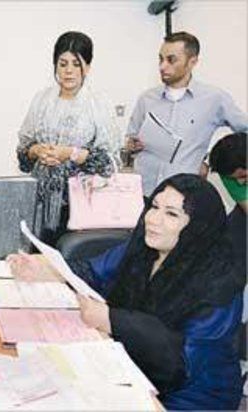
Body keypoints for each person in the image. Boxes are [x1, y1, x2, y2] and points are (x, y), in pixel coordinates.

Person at [9, 174, 244, 410]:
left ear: (198, 226)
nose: (153, 219)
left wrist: (112, 320)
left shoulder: (219, 283)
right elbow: (93, 271)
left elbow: (183, 362)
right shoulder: (143, 249)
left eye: (171, 214)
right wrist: (48, 270)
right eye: (154, 207)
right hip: (131, 367)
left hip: (190, 396)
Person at [16, 31, 121, 245]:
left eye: (76, 63)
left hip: (82, 204)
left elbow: (110, 163)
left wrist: (71, 154)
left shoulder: (98, 104)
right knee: (35, 256)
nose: (68, 71)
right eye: (62, 64)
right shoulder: (42, 100)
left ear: (87, 67)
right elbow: (23, 154)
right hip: (39, 201)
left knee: (69, 256)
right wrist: (37, 151)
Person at [126, 31, 248, 196]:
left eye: (171, 60)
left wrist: (210, 160)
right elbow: (131, 138)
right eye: (161, 59)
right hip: (143, 190)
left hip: (185, 194)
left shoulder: (214, 98)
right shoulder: (146, 99)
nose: (162, 66)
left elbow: (244, 129)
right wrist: (132, 145)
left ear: (192, 62)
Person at [209, 131, 247, 373]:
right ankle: (236, 357)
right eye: (236, 179)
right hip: (242, 224)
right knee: (229, 283)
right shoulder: (230, 170)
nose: (240, 183)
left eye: (244, 176)